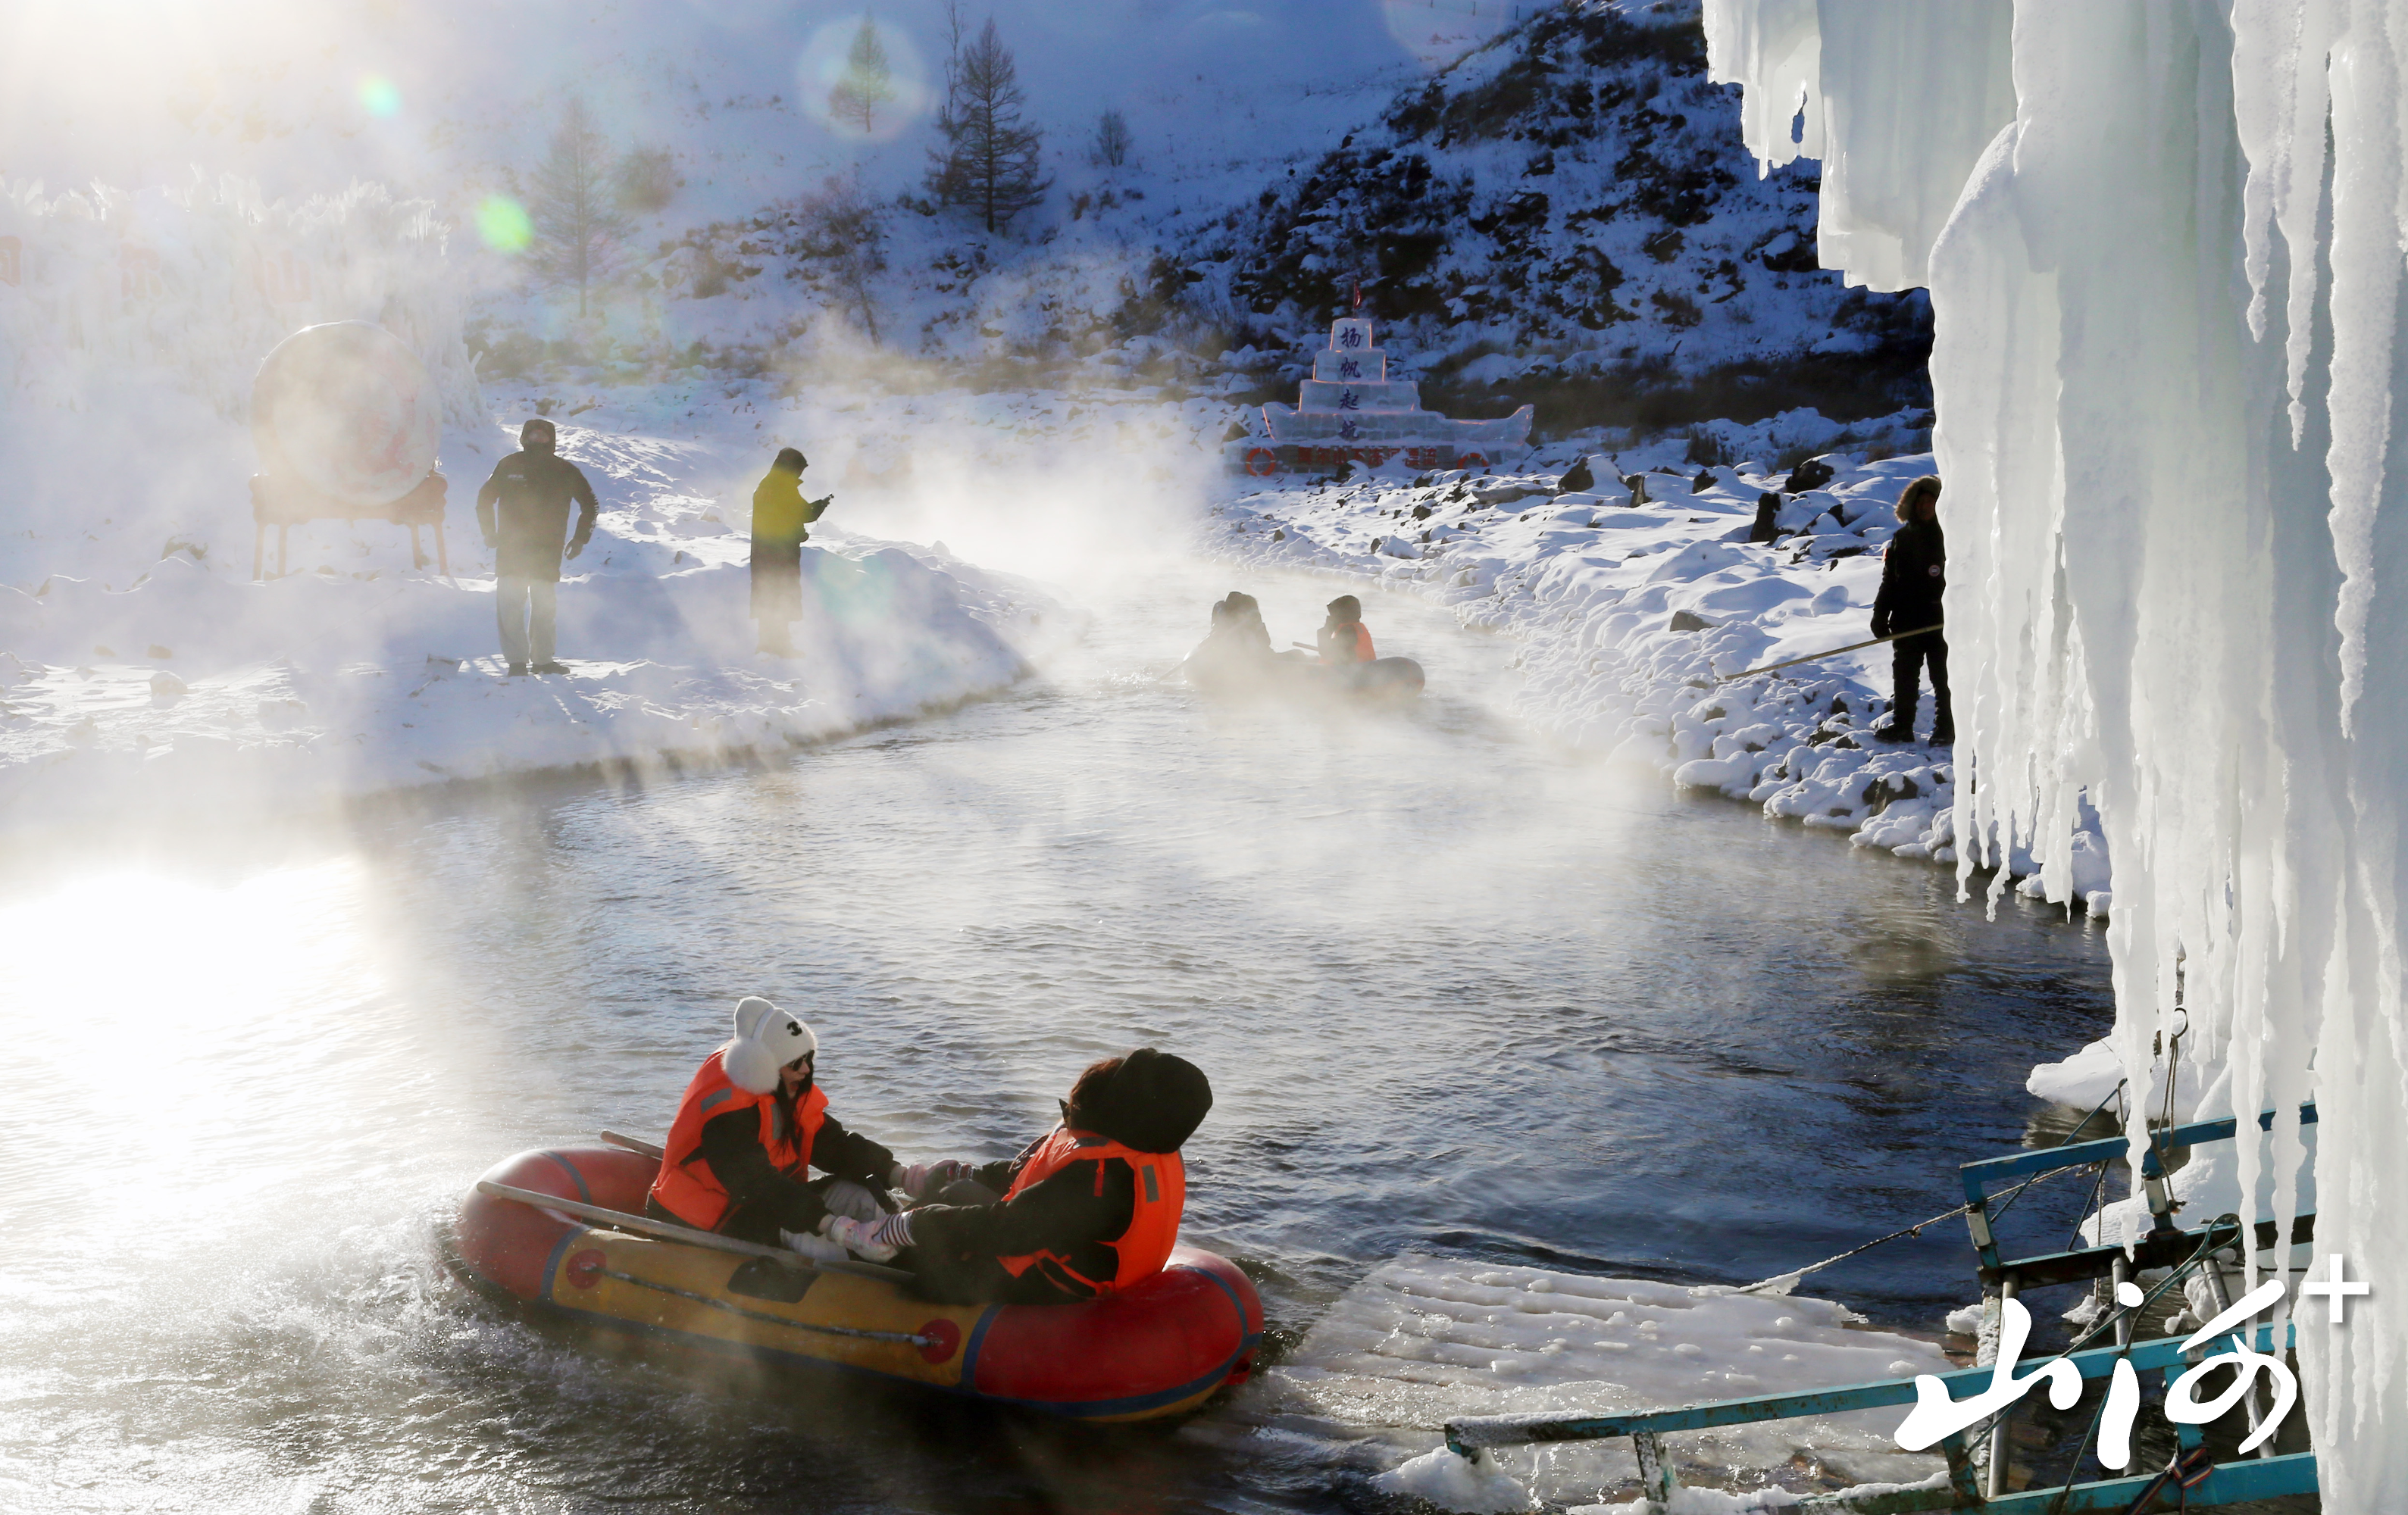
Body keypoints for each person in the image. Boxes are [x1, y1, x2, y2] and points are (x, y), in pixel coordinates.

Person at [815, 1048, 1213, 1305]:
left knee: (942, 1224)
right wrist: (967, 1174)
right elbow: (1031, 1178)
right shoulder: (1150, 1149)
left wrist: (913, 1225)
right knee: (961, 1188)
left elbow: (1009, 1229)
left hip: (1048, 1288)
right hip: (1099, 1266)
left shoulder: (1100, 1177)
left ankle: (857, 1254)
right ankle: (887, 1227)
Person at [647, 997, 905, 1248]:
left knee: (864, 1197)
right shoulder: (727, 1115)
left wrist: (901, 1174)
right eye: (795, 1062)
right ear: (765, 1066)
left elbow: (833, 1144)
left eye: (808, 1057)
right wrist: (832, 1226)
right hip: (709, 1215)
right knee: (832, 1246)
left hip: (767, 1203)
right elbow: (756, 1184)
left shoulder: (784, 1089)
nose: (805, 1069)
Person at [475, 418, 599, 677]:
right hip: (511, 549)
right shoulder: (509, 465)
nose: (539, 439)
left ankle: (543, 661)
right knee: (510, 608)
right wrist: (489, 531)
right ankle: (516, 663)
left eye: (544, 435)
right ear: (524, 437)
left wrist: (580, 538)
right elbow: (484, 499)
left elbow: (590, 504)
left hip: (547, 550)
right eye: (534, 435)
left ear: (551, 440)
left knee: (544, 608)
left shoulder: (565, 470)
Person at [1872, 474, 1950, 745]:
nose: (1924, 507)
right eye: (1920, 502)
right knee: (1905, 677)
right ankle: (1902, 726)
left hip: (1943, 620)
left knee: (1944, 677)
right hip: (1906, 620)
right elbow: (1889, 581)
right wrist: (1880, 615)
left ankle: (1946, 728)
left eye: (1930, 502)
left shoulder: (1951, 536)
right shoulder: (1902, 538)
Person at [749, 448, 831, 656]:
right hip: (780, 553)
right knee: (781, 594)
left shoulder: (766, 485)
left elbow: (782, 517)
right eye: (798, 470)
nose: (799, 475)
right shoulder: (782, 487)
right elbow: (803, 513)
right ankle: (780, 645)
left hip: (763, 552)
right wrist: (821, 505)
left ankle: (767, 642)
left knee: (768, 594)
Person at [1316, 595, 1375, 667]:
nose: (1331, 618)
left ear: (1342, 615)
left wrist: (1327, 629)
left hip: (1346, 671)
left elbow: (1325, 652)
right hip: (1364, 668)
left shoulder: (1347, 631)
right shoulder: (1357, 628)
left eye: (1333, 615)